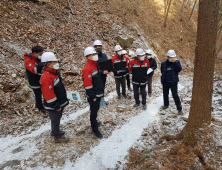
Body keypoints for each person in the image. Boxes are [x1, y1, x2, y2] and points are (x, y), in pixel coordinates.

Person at [40, 52, 69, 143]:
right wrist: (56, 105)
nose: (56, 64)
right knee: (55, 120)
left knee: (57, 118)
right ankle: (57, 136)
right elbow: (49, 94)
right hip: (53, 104)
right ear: (47, 64)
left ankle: (54, 131)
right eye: (54, 62)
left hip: (58, 101)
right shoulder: (46, 77)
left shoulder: (53, 73)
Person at [82, 47, 104, 138]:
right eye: (93, 54)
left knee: (96, 109)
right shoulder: (87, 69)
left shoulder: (95, 65)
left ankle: (94, 123)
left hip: (98, 92)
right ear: (88, 57)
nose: (96, 56)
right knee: (93, 112)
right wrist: (92, 96)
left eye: (95, 54)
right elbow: (87, 85)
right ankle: (94, 128)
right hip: (94, 95)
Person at [24, 46, 48, 118]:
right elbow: (34, 70)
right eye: (40, 54)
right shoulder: (28, 60)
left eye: (42, 54)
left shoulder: (39, 58)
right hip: (34, 81)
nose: (41, 55)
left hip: (43, 79)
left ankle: (47, 105)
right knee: (38, 95)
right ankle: (41, 108)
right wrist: (41, 63)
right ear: (34, 53)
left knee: (46, 93)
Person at [160, 50, 183, 115]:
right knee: (165, 94)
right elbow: (162, 71)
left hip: (174, 83)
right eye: (170, 57)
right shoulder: (164, 63)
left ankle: (179, 109)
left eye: (173, 57)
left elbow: (179, 69)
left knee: (175, 95)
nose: (172, 58)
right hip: (165, 82)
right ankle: (166, 105)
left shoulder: (177, 62)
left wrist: (174, 62)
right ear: (167, 57)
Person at [93, 40, 108, 106]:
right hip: (97, 76)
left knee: (102, 88)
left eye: (101, 46)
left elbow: (107, 63)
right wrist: (102, 71)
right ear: (95, 47)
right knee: (97, 89)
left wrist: (108, 69)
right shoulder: (93, 57)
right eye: (98, 46)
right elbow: (93, 68)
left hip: (104, 76)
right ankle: (97, 102)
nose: (100, 47)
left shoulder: (104, 55)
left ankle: (102, 101)